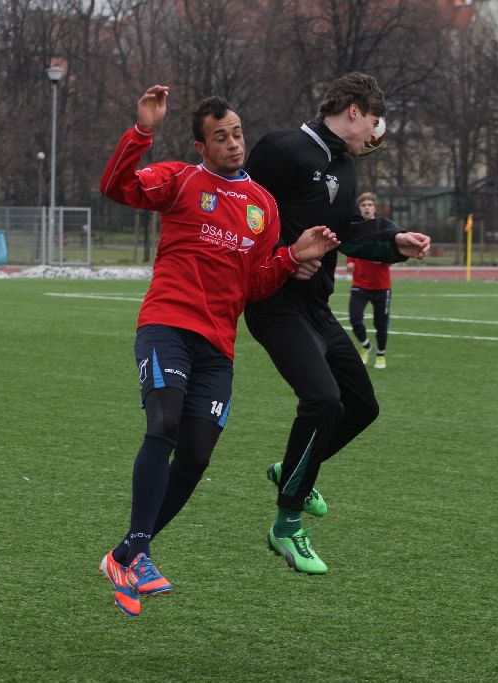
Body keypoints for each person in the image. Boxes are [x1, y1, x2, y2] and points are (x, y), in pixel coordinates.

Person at [97, 84, 339, 616]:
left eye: (237, 134)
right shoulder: (180, 179)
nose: (233, 144)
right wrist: (142, 131)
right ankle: (138, 550)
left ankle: (127, 552)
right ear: (201, 147)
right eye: (220, 138)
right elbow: (116, 186)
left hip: (218, 346)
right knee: (162, 425)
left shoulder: (262, 206)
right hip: (167, 325)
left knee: (197, 454)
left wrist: (293, 257)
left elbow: (254, 283)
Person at [243, 72, 431, 574]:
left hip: (316, 308)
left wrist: (394, 243)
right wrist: (285, 255)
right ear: (352, 109)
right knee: (323, 400)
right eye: (374, 121)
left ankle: (293, 471)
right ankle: (287, 526)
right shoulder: (280, 149)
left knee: (362, 407)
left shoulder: (344, 166)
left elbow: (348, 232)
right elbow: (246, 218)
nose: (376, 133)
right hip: (275, 302)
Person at [346, 192, 393, 369]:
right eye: (363, 205)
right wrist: (350, 263)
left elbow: (393, 252)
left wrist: (383, 259)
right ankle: (366, 346)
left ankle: (381, 354)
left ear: (375, 208)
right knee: (355, 319)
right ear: (360, 208)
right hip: (359, 284)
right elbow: (350, 249)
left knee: (380, 324)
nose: (366, 207)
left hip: (382, 286)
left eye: (369, 205)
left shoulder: (384, 229)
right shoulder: (355, 228)